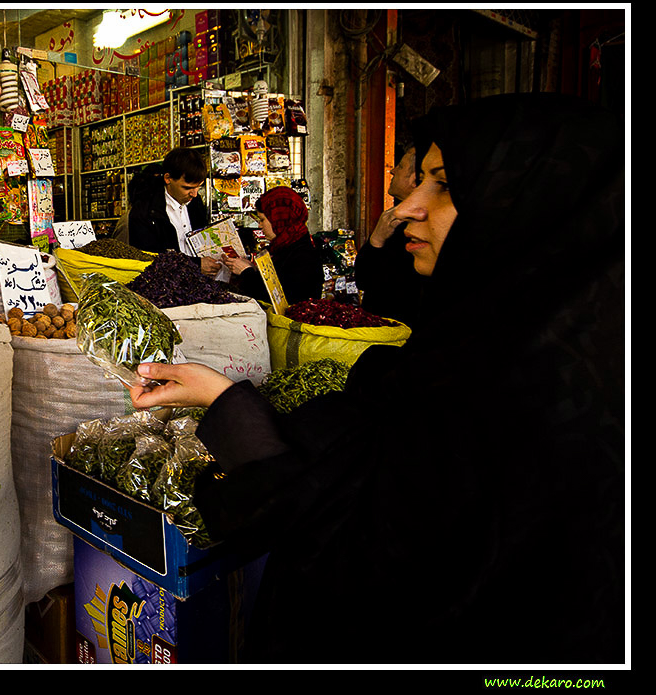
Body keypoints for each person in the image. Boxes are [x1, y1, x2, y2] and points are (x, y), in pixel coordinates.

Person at [124, 93, 625, 665]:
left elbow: (362, 547)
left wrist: (226, 403)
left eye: (443, 184)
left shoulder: (525, 391)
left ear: (530, 204)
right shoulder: (487, 338)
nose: (408, 205)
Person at [116, 147, 221, 276]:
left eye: (198, 187)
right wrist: (195, 265)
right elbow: (149, 260)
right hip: (167, 288)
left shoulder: (196, 202)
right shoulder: (144, 213)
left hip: (198, 283)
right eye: (187, 188)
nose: (194, 194)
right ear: (168, 178)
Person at [354, 144, 427, 324]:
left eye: (400, 166)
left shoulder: (420, 227)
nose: (393, 171)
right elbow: (363, 279)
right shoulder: (392, 220)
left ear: (415, 179)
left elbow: (373, 281)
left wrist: (377, 239)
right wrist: (376, 239)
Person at [221, 186, 325, 304]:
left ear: (279, 219)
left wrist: (247, 272)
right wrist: (252, 268)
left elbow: (281, 300)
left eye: (262, 220)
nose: (260, 225)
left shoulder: (304, 256)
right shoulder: (284, 247)